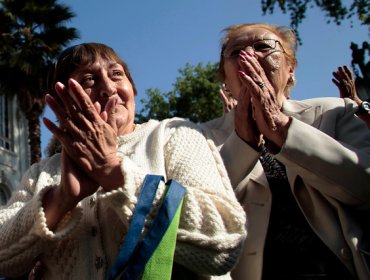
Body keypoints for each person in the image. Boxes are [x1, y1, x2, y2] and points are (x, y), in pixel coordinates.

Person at [0, 43, 247, 279]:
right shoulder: (41, 172)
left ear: (133, 88)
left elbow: (225, 243)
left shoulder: (173, 134)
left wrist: (112, 171)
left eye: (117, 74)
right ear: (64, 101)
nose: (108, 87)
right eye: (89, 80)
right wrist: (61, 199)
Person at [201, 23, 370, 280]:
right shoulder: (198, 137)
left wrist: (282, 130)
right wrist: (242, 143)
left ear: (290, 69)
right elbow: (193, 210)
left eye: (263, 47)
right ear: (224, 77)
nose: (250, 56)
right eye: (236, 52)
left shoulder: (336, 111)